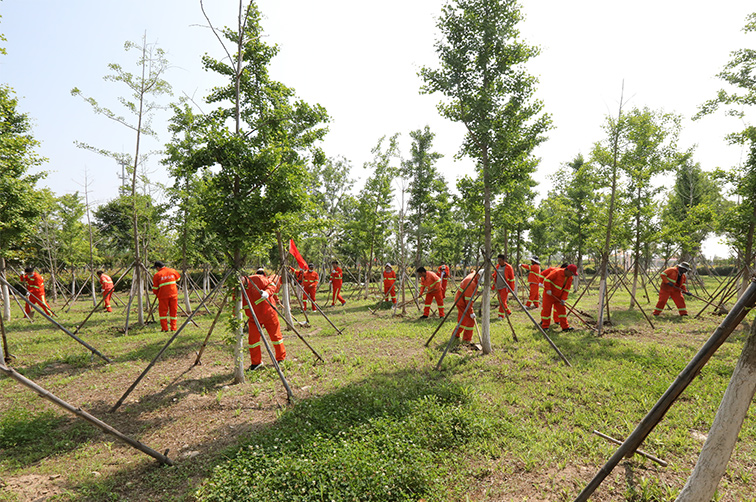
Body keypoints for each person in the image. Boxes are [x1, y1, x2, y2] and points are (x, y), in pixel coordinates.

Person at [241, 272, 286, 371]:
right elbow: (236, 305)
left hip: (269, 314)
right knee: (253, 341)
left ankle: (281, 358)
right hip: (253, 318)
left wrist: (267, 293)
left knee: (275, 336)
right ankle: (256, 362)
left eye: (240, 279)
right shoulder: (237, 289)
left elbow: (272, 285)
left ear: (243, 276)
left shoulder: (257, 279)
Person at [541, 264, 577, 332]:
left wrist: (563, 299)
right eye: (572, 273)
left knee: (562, 311)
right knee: (547, 310)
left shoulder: (570, 278)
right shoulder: (557, 272)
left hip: (559, 296)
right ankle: (545, 326)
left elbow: (566, 290)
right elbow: (547, 279)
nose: (571, 275)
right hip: (549, 295)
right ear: (568, 270)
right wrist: (548, 289)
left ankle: (565, 327)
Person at [454, 268, 484, 342]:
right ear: (478, 275)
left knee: (463, 320)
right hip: (462, 302)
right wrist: (471, 312)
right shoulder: (471, 283)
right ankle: (467, 339)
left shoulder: (474, 276)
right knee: (470, 320)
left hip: (461, 300)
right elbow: (468, 300)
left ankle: (455, 334)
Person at [152, 261, 181, 332]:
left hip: (163, 296)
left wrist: (157, 293)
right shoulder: (173, 271)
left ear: (158, 267)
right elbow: (178, 279)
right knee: (173, 311)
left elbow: (155, 288)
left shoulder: (157, 275)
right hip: (174, 294)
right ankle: (173, 328)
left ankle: (165, 328)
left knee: (163, 312)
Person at [492, 254, 515, 318]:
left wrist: (510, 287)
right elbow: (495, 274)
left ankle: (501, 315)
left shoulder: (509, 267)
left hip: (505, 287)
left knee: (502, 301)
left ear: (504, 260)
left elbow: (512, 278)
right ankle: (508, 311)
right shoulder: (497, 266)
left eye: (500, 260)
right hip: (498, 286)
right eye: (498, 260)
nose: (499, 262)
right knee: (500, 301)